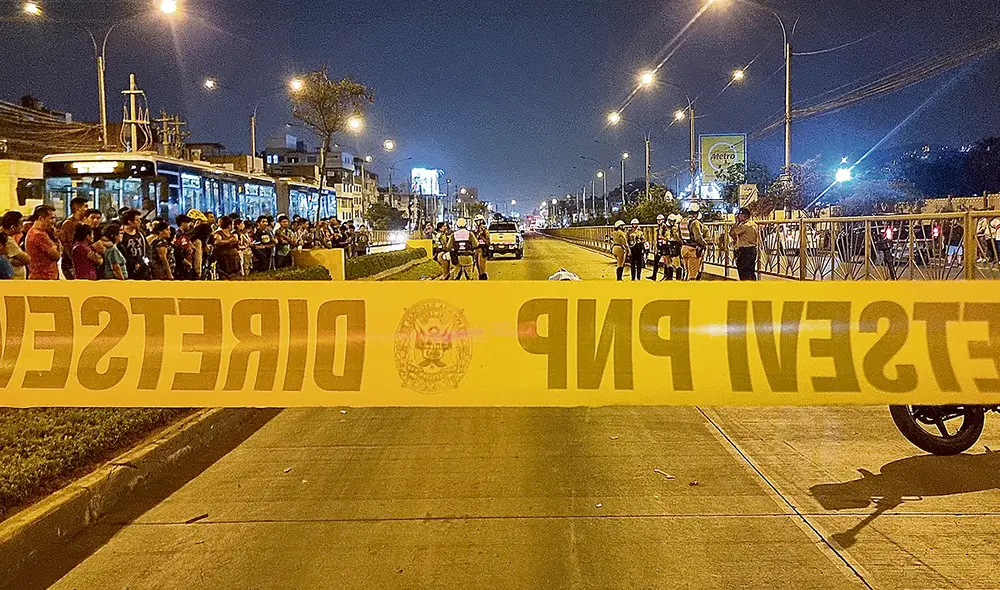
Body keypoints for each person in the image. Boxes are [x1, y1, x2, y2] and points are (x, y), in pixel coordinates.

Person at [26, 205, 62, 280]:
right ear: (41, 218)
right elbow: (56, 256)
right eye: (51, 218)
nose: (53, 222)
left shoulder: (33, 232)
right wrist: (55, 240)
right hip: (44, 278)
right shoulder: (39, 235)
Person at [58, 196, 90, 279]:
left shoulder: (84, 222)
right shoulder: (68, 224)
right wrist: (73, 261)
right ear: (77, 208)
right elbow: (67, 244)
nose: (87, 209)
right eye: (85, 206)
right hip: (70, 262)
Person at [730, 207, 759, 281]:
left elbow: (732, 233)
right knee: (750, 272)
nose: (738, 216)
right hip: (752, 249)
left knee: (743, 273)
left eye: (739, 215)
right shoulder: (753, 224)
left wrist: (736, 223)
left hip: (745, 250)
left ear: (744, 216)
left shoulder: (745, 226)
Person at [679, 204, 708, 281]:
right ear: (697, 212)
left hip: (684, 248)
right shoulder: (695, 222)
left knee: (686, 271)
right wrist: (704, 244)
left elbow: (679, 235)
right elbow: (698, 237)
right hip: (692, 250)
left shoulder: (683, 221)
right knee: (692, 275)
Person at [119, 209, 150, 280]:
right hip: (129, 270)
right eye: (137, 220)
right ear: (129, 222)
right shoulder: (122, 235)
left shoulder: (141, 233)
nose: (140, 222)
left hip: (143, 268)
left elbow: (147, 249)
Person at [2, 211, 29, 280]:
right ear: (13, 226)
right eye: (20, 223)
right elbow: (27, 259)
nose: (22, 226)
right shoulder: (8, 240)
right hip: (13, 280)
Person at [473, 214, 491, 280]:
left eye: (478, 221)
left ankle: (483, 278)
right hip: (476, 249)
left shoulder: (485, 230)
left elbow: (488, 242)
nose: (477, 222)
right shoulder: (475, 231)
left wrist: (481, 236)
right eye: (476, 221)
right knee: (477, 267)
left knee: (481, 266)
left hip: (483, 249)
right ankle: (480, 277)